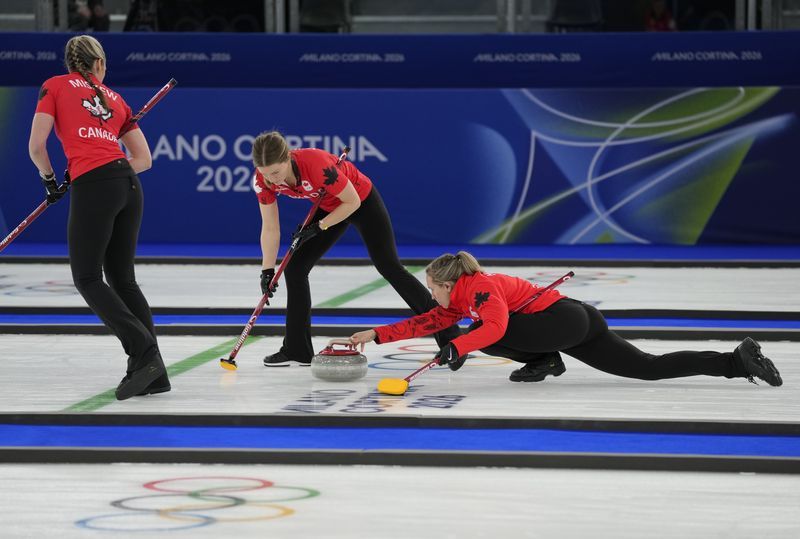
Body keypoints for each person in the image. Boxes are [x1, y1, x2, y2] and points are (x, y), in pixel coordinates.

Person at [349, 251, 783, 387]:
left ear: (448, 283)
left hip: (563, 321)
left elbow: (496, 329)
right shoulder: (458, 297)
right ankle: (735, 362)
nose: (431, 294)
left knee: (483, 333)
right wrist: (375, 335)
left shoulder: (481, 288)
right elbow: (426, 322)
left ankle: (545, 359)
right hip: (578, 322)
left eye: (433, 287)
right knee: (646, 368)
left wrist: (455, 347)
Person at [28, 35, 169, 400]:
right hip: (128, 184)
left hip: (95, 185)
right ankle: (153, 372)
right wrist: (107, 168)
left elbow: (37, 146)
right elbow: (144, 160)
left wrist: (50, 180)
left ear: (69, 63)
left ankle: (144, 352)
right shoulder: (116, 99)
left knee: (88, 277)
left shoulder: (54, 86)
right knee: (123, 280)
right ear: (100, 64)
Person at [251, 131, 461, 366]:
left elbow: (352, 202)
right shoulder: (263, 180)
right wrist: (267, 270)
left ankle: (451, 336)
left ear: (288, 157)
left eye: (276, 173)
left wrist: (319, 226)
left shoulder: (316, 165)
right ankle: (297, 349)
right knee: (295, 268)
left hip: (360, 199)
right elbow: (270, 228)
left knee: (389, 267)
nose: (272, 180)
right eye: (265, 173)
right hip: (328, 205)